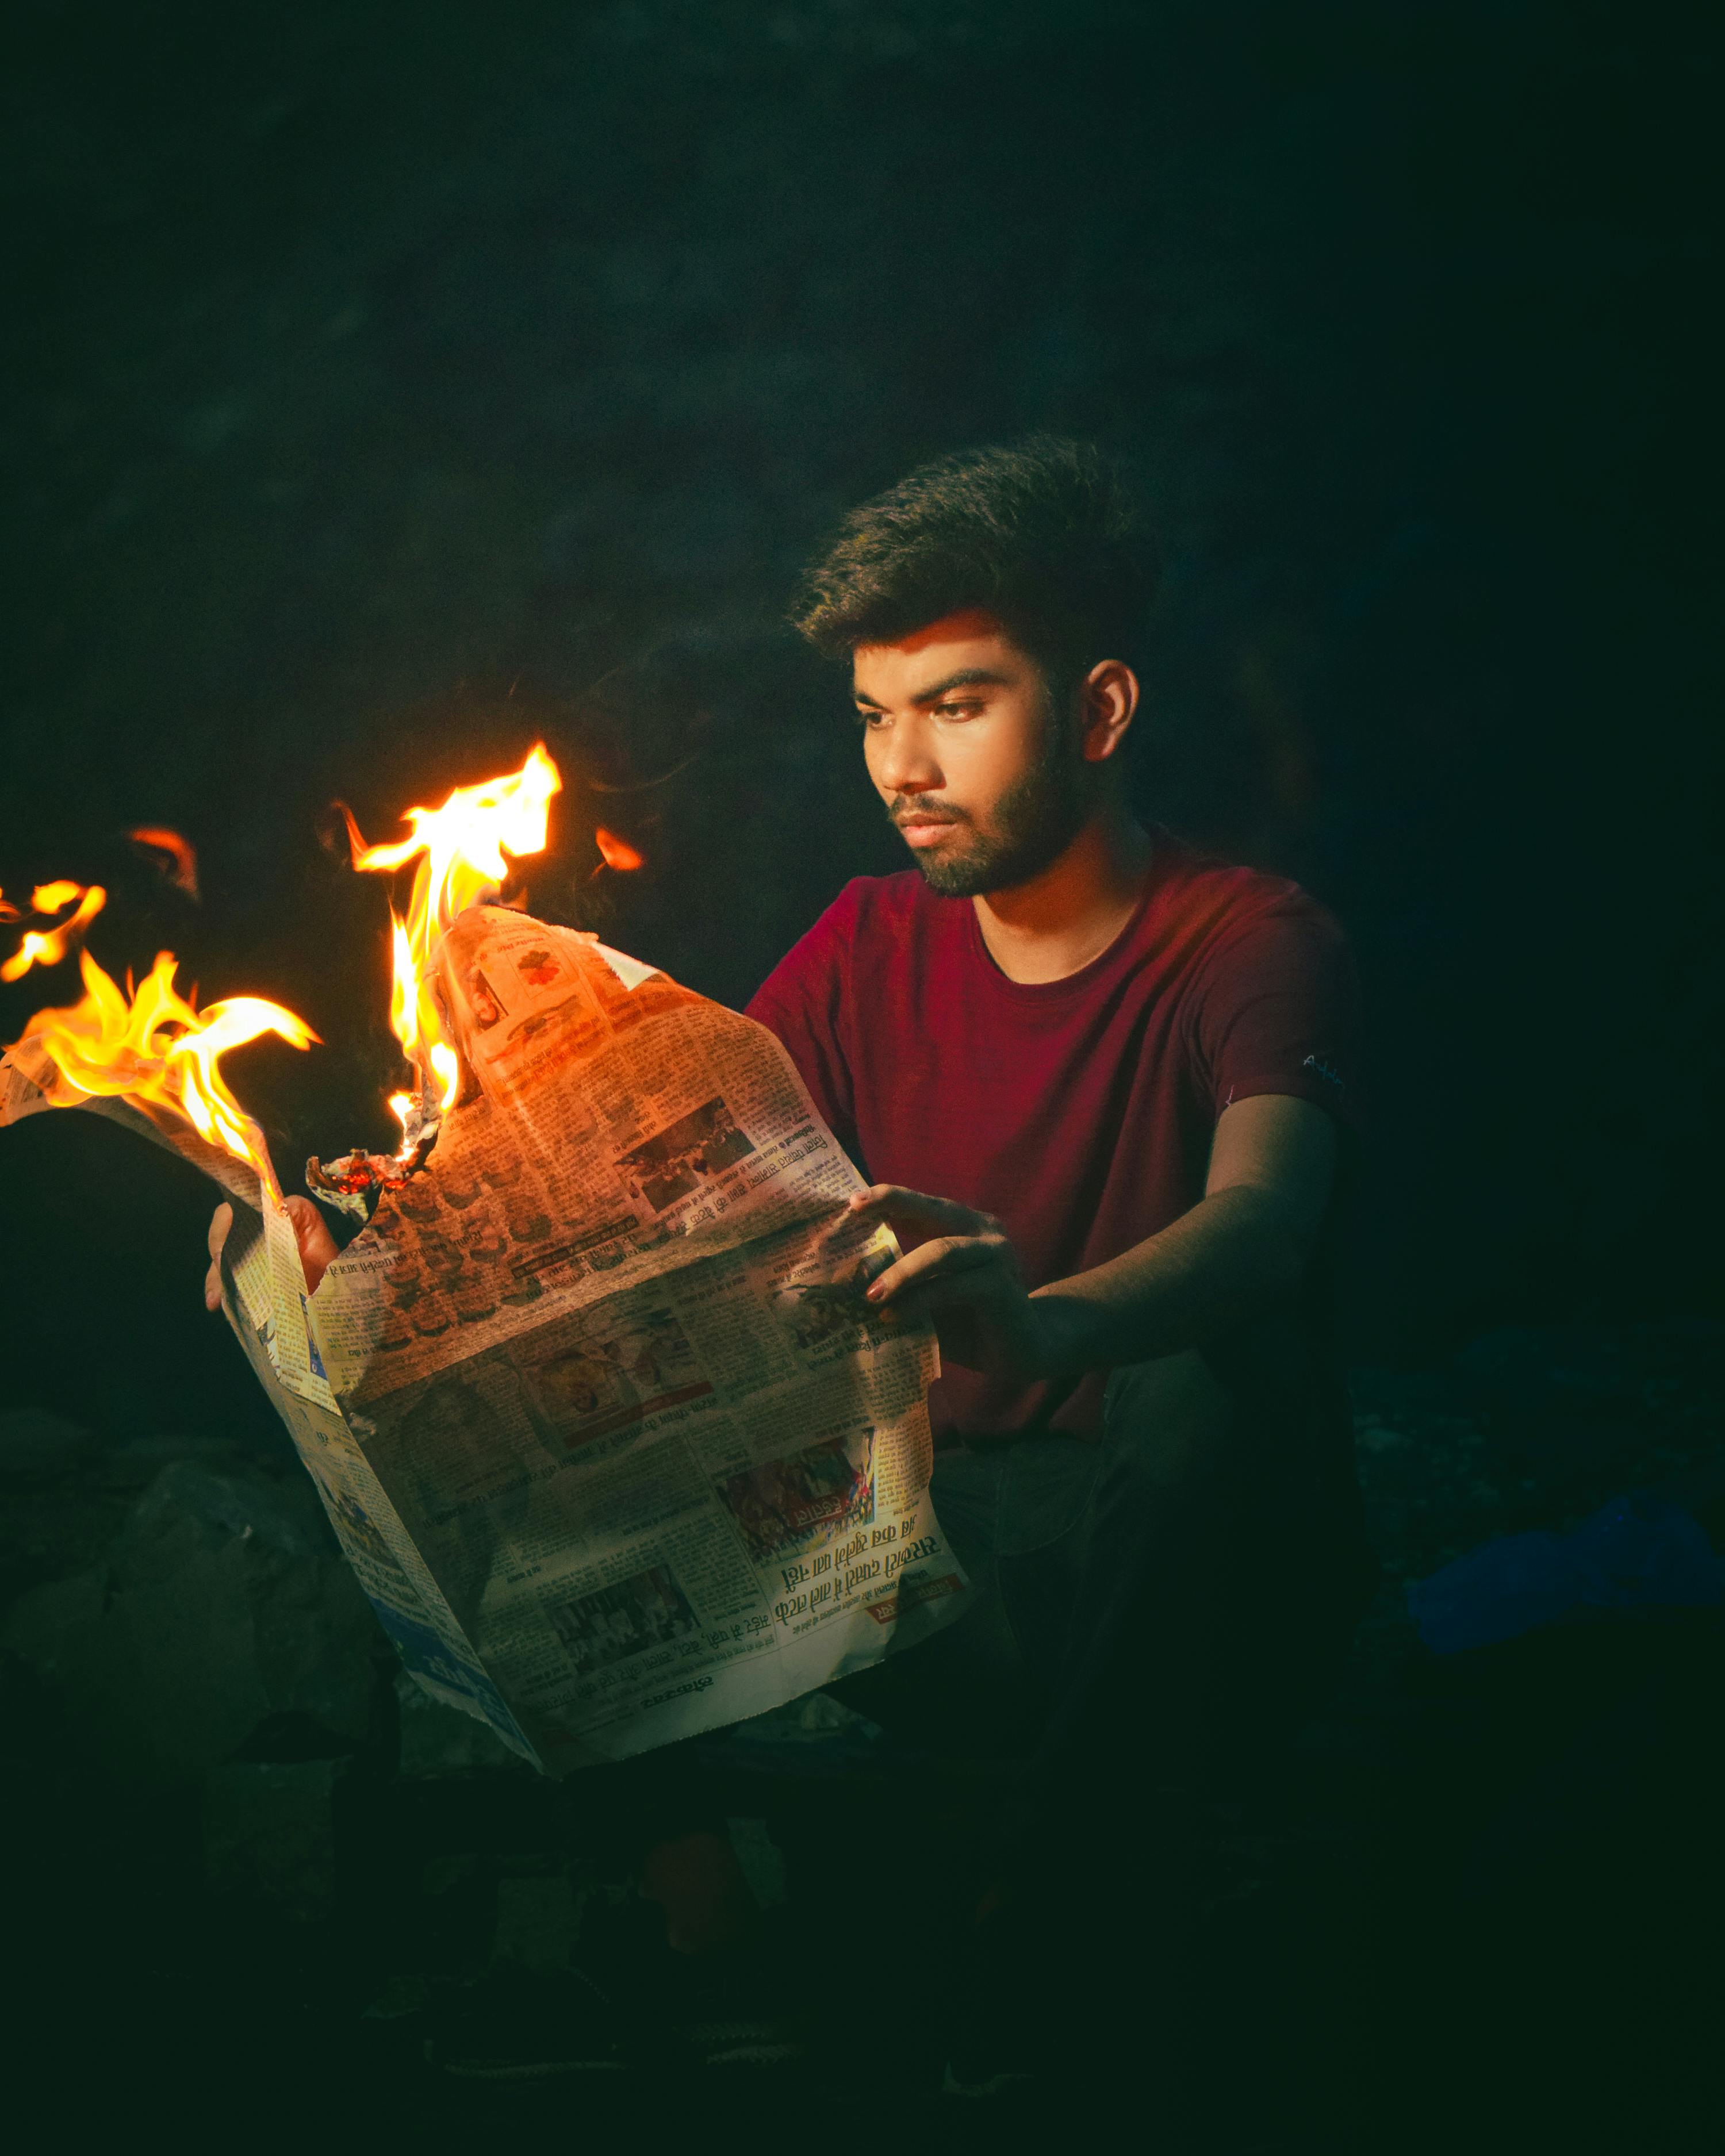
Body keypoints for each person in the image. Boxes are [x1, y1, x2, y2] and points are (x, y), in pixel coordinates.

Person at [204, 436, 1374, 2097]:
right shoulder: (865, 944)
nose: (905, 762)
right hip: (933, 1569)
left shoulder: (1249, 939)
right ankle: (712, 1939)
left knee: (1203, 1389)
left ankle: (1046, 1953)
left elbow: (1270, 1223)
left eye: (959, 704)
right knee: (499, 1423)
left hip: (1179, 1564)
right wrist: (350, 1255)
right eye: (876, 716)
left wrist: (1041, 1325)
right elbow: (639, 1208)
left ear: (1102, 711)